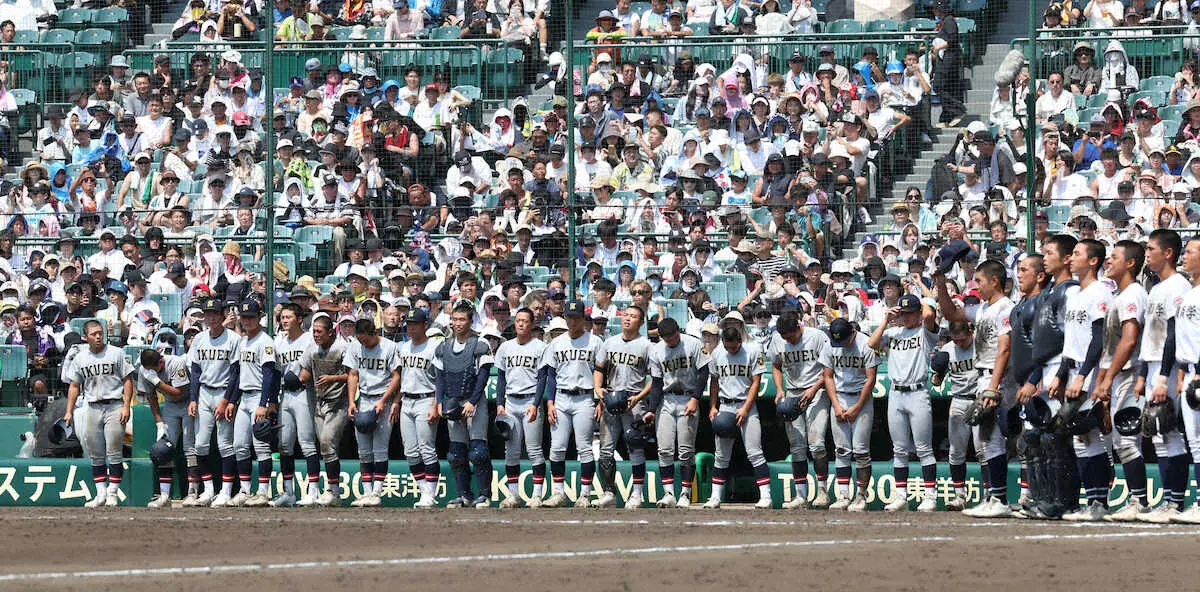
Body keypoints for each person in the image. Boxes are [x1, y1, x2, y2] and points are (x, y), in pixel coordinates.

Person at [936, 258, 1015, 518]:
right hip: (985, 377)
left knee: (998, 441)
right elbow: (950, 314)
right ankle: (996, 497)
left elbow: (1005, 348)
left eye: (979, 281)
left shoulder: (1005, 307)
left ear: (995, 281)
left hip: (997, 378)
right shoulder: (983, 309)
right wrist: (939, 282)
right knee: (988, 441)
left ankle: (1002, 498)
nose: (976, 287)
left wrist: (992, 388)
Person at [1092, 240, 1149, 521]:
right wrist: (1104, 379)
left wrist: (1108, 377)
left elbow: (1129, 341)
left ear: (1130, 263)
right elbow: (1110, 348)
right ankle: (1138, 501)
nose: (1108, 260)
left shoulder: (1133, 295)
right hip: (1119, 375)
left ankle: (1140, 501)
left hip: (1132, 373)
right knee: (1120, 440)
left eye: (1114, 256)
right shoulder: (1120, 295)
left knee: (1127, 441)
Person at [867, 294, 940, 512]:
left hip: (918, 392)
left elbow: (928, 314)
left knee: (924, 448)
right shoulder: (893, 332)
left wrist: (918, 298)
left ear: (917, 313)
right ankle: (901, 496)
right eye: (904, 313)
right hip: (896, 393)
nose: (906, 317)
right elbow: (871, 344)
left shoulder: (925, 332)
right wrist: (885, 320)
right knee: (899, 449)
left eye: (910, 313)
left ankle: (930, 496)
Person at [1136, 229, 1191, 523]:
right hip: (1154, 365)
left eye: (1150, 248)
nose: (1147, 253)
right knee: (1158, 435)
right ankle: (1170, 501)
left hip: (1167, 368)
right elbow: (1149, 336)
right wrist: (1144, 374)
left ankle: (1175, 502)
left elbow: (1173, 335)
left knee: (1170, 433)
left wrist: (1162, 377)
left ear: (1167, 253)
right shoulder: (1156, 288)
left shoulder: (1177, 286)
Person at [64, 320, 134, 507]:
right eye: (94, 333)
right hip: (92, 406)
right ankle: (101, 493)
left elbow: (127, 380)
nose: (98, 336)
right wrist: (69, 411)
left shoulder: (116, 352)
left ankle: (113, 491)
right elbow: (74, 385)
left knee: (114, 450)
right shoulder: (80, 358)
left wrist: (126, 405)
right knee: (95, 452)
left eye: (100, 333)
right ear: (86, 337)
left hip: (114, 405)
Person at [539, 300, 602, 507]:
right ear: (564, 317)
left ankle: (585, 494)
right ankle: (558, 492)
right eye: (569, 316)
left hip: (585, 397)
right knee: (556, 448)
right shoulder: (556, 343)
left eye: (576, 317)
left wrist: (600, 400)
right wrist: (550, 403)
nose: (572, 321)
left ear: (583, 318)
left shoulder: (595, 342)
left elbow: (603, 373)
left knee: (584, 447)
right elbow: (550, 375)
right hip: (561, 398)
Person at [769, 311, 831, 510]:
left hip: (817, 391)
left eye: (790, 335)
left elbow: (829, 369)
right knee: (796, 447)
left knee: (817, 444)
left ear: (798, 327)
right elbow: (776, 366)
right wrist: (779, 390)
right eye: (784, 337)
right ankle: (800, 496)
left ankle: (823, 491)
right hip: (793, 393)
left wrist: (813, 389)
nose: (788, 339)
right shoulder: (778, 340)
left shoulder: (817, 336)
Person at [704, 324, 770, 509]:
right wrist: (712, 407)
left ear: (740, 341)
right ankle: (715, 496)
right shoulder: (717, 353)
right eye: (727, 346)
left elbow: (756, 383)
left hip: (746, 405)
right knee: (721, 455)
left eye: (734, 346)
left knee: (755, 453)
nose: (730, 350)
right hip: (725, 405)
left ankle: (766, 496)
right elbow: (714, 382)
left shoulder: (752, 351)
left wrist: (746, 409)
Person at [435, 302, 494, 508]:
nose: (457, 323)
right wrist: (440, 402)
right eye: (455, 319)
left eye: (462, 319)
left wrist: (473, 401)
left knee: (478, 451)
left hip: (474, 402)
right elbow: (440, 377)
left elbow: (483, 376)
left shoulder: (480, 344)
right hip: (452, 401)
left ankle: (484, 495)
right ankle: (464, 494)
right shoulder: (443, 346)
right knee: (455, 453)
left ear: (470, 321)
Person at [594, 304, 652, 508]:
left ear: (641, 322)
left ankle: (636, 494)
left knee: (635, 446)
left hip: (634, 401)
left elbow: (655, 377)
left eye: (633, 316)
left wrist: (640, 397)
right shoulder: (609, 342)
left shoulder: (646, 345)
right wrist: (598, 389)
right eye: (625, 315)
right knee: (606, 449)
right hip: (611, 399)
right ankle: (608, 493)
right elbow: (599, 368)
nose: (628, 318)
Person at [185, 298, 241, 508]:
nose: (211, 317)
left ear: (222, 315)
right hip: (204, 394)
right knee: (200, 444)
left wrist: (227, 400)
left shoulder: (233, 339)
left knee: (225, 444)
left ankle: (225, 492)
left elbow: (236, 373)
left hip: (223, 393)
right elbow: (196, 371)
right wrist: (193, 398)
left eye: (215, 313)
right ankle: (208, 490)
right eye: (208, 314)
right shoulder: (199, 339)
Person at [647, 317, 708, 508]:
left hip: (688, 398)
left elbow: (704, 372)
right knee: (664, 449)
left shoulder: (693, 343)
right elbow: (656, 383)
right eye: (667, 338)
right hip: (666, 400)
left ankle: (685, 493)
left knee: (685, 451)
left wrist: (696, 398)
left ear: (677, 332)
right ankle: (669, 493)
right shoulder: (656, 350)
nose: (671, 340)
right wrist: (651, 410)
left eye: (673, 336)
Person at [819, 318, 878, 511]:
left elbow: (871, 379)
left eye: (844, 340)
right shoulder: (830, 345)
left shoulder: (865, 344)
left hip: (861, 398)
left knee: (861, 450)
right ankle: (843, 496)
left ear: (852, 333)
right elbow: (827, 375)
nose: (842, 344)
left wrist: (858, 406)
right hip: (840, 397)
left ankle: (861, 496)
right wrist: (835, 404)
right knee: (841, 450)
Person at [266, 303, 321, 507]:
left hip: (305, 392)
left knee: (307, 443)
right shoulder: (279, 343)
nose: (284, 320)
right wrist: (272, 401)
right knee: (285, 445)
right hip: (286, 396)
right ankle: (288, 492)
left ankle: (313, 491)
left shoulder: (309, 340)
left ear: (299, 319)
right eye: (282, 317)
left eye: (289, 317)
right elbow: (276, 374)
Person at [493, 307, 549, 508]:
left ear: (532, 324)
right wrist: (500, 404)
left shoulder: (540, 347)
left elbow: (543, 378)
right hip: (510, 402)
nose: (521, 324)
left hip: (529, 402)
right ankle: (514, 495)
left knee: (534, 450)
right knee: (512, 451)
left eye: (525, 321)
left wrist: (535, 404)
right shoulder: (505, 347)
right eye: (518, 320)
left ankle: (537, 495)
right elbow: (500, 378)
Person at [226, 299, 278, 508]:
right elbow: (239, 374)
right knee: (239, 445)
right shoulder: (243, 341)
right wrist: (232, 400)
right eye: (244, 317)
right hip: (244, 398)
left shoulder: (265, 341)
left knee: (261, 447)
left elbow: (269, 376)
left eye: (251, 317)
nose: (247, 320)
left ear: (259, 318)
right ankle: (245, 490)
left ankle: (263, 492)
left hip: (258, 397)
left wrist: (264, 404)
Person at [345, 318, 401, 508]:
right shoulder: (355, 347)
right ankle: (367, 492)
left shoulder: (389, 347)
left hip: (381, 397)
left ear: (375, 333)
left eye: (366, 340)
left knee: (380, 448)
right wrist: (352, 401)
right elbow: (353, 374)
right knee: (364, 450)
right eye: (360, 340)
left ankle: (377, 491)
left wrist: (386, 401)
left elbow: (396, 377)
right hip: (365, 398)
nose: (363, 344)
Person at [297, 314, 350, 506]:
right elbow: (305, 372)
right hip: (320, 402)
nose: (316, 335)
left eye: (319, 332)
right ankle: (332, 493)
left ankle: (333, 492)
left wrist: (333, 378)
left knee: (327, 443)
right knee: (325, 447)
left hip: (339, 402)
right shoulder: (311, 348)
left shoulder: (343, 348)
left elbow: (354, 375)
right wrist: (292, 379)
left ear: (331, 332)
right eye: (314, 331)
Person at [393, 308, 442, 509]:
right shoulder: (404, 348)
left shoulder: (433, 347)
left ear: (425, 325)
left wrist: (435, 405)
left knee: (427, 449)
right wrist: (396, 401)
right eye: (409, 325)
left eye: (415, 324)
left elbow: (441, 380)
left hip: (426, 400)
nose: (411, 328)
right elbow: (401, 378)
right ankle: (424, 491)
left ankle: (430, 494)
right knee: (411, 452)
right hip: (406, 400)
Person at [139, 347, 192, 508]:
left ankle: (192, 492)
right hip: (170, 406)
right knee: (164, 449)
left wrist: (157, 382)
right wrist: (159, 422)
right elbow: (151, 396)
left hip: (189, 402)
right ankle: (164, 494)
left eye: (155, 368)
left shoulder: (176, 363)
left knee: (191, 448)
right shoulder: (144, 370)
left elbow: (178, 392)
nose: (151, 372)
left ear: (161, 361)